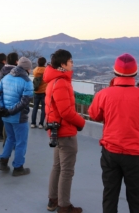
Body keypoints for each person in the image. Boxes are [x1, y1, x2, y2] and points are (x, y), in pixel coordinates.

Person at [88, 53, 139, 213]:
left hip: (110, 151)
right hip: (134, 153)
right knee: (136, 198)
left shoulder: (104, 94)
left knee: (110, 194)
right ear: (135, 74)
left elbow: (94, 115)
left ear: (115, 72)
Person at [43, 49, 85, 213]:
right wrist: (81, 122)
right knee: (66, 170)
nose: (72, 64)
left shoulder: (53, 81)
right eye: (70, 61)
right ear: (63, 64)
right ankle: (64, 206)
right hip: (65, 132)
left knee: (57, 167)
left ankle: (53, 200)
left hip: (56, 130)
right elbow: (66, 111)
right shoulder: (61, 82)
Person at [0, 57, 33, 176]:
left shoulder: (6, 77)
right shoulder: (27, 81)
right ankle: (18, 167)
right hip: (18, 117)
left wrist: (2, 109)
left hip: (5, 115)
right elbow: (25, 101)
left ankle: (3, 162)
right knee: (21, 142)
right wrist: (11, 111)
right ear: (27, 68)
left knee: (10, 139)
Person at [31, 57, 47, 128]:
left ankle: (33, 123)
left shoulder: (35, 70)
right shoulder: (46, 70)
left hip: (36, 91)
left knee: (35, 107)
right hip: (44, 92)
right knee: (43, 108)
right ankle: (41, 123)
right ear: (44, 63)